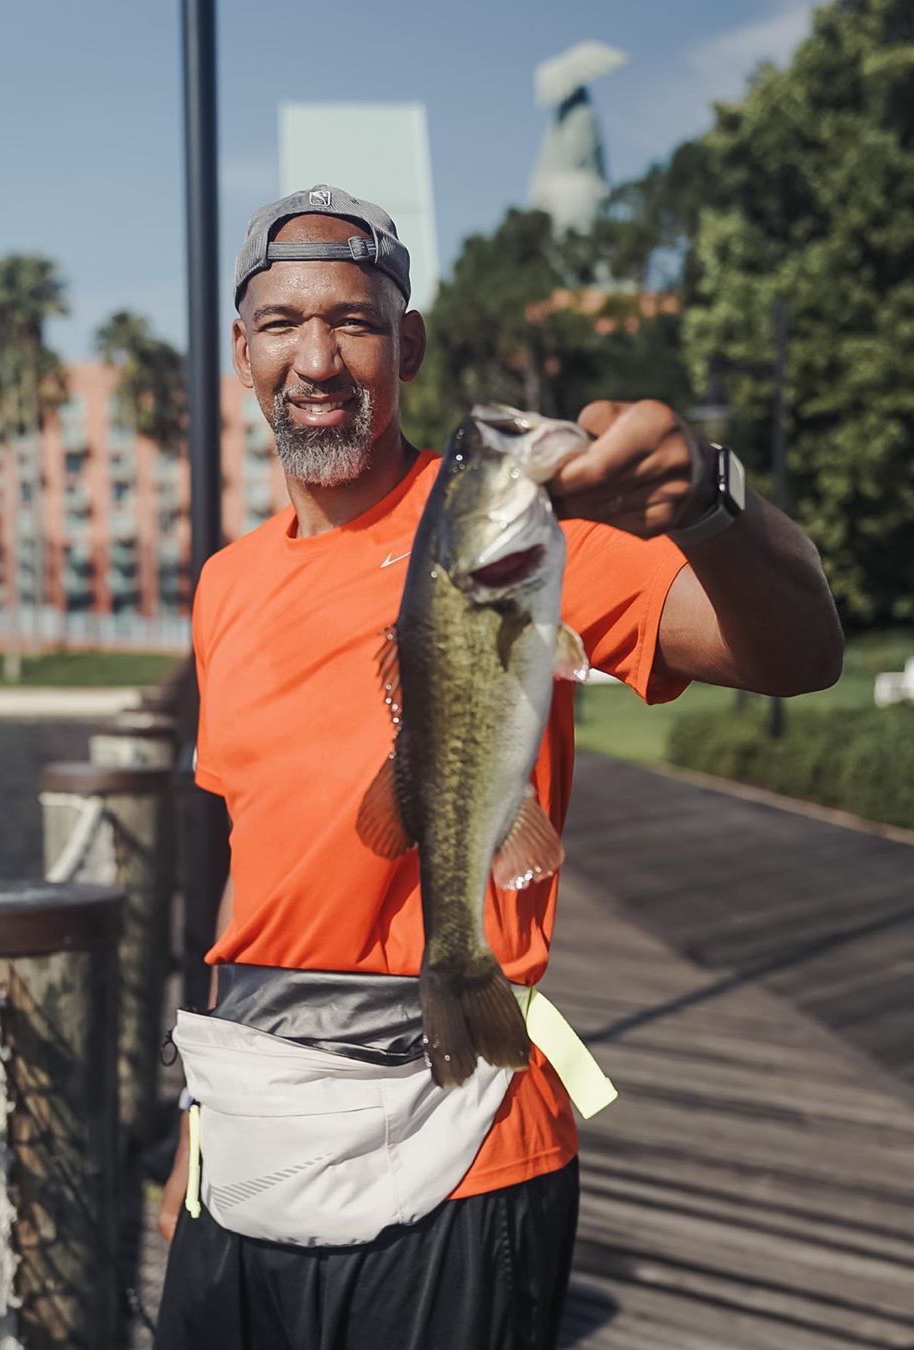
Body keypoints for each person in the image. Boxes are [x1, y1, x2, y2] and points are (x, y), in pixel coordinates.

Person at [154, 186, 843, 1350]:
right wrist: (193, 1140)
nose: (316, 357)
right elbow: (250, 873)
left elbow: (799, 655)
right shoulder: (224, 586)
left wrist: (714, 502)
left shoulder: (517, 531)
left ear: (406, 343)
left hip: (466, 1146)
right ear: (242, 349)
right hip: (249, 1145)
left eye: (354, 321)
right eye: (281, 323)